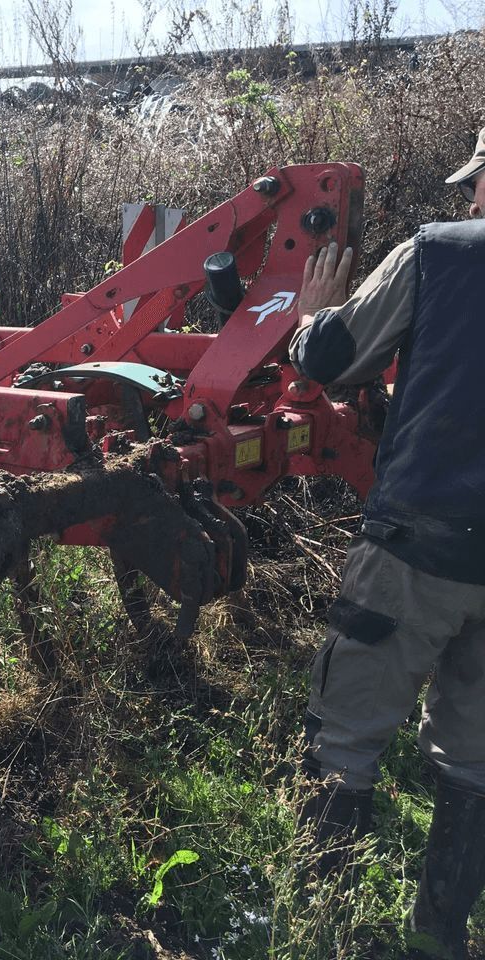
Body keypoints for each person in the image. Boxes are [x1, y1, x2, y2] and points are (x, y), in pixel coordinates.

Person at [288, 129, 485, 959]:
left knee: (345, 732)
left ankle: (318, 929)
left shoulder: (439, 255)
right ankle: (441, 936)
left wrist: (309, 320)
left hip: (416, 551)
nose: (472, 198)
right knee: (477, 759)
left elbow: (337, 360)